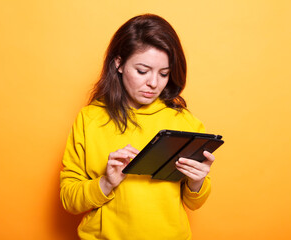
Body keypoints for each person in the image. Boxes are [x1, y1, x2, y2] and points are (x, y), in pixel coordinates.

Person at [60, 13, 216, 240]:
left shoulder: (185, 122)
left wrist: (197, 181)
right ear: (119, 63)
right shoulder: (89, 118)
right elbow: (68, 198)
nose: (153, 83)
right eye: (142, 71)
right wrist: (105, 183)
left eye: (164, 73)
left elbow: (195, 202)